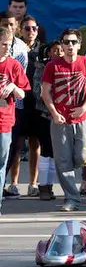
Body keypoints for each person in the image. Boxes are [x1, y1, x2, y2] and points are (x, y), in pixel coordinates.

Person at [41, 28, 86, 212]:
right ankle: (72, 199)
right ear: (62, 44)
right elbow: (45, 92)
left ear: (79, 45)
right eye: (66, 42)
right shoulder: (53, 66)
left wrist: (84, 107)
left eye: (73, 42)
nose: (70, 46)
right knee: (63, 161)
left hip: (81, 119)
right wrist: (54, 113)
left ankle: (79, 186)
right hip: (60, 121)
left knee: (84, 157)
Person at [8, 15, 42, 198]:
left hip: (35, 101)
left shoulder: (42, 49)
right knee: (17, 144)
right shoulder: (14, 47)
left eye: (34, 28)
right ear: (20, 30)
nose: (31, 31)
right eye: (27, 28)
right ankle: (13, 183)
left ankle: (33, 183)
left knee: (35, 143)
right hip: (18, 100)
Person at [0, 26, 30, 216]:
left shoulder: (13, 65)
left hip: (4, 120)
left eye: (9, 44)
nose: (6, 48)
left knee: (1, 162)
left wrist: (12, 86)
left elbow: (23, 93)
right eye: (3, 44)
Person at [33, 40, 62, 201]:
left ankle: (50, 187)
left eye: (61, 50)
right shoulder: (41, 68)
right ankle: (43, 187)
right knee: (46, 151)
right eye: (55, 50)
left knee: (57, 153)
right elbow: (38, 92)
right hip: (45, 115)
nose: (59, 53)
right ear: (48, 53)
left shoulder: (67, 67)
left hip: (63, 115)